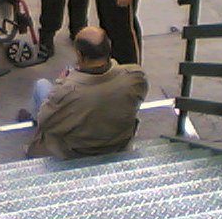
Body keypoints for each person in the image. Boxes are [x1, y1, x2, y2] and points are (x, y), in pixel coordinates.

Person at [21, 27, 148, 159]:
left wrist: (61, 82)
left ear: (80, 55)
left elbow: (45, 122)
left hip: (78, 151)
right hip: (119, 143)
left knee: (41, 85)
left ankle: (31, 122)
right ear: (108, 47)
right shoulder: (135, 77)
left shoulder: (66, 91)